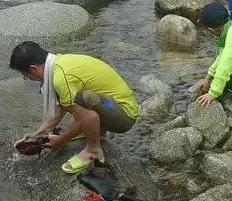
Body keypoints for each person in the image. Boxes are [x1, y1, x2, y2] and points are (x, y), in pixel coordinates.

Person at [10, 41, 140, 174]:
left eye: (26, 76)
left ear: (33, 69)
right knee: (78, 100)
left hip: (124, 114)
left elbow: (85, 116)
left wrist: (61, 140)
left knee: (84, 98)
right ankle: (97, 132)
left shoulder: (61, 78)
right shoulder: (60, 63)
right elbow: (60, 109)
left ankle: (93, 149)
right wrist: (36, 135)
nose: (28, 78)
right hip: (111, 106)